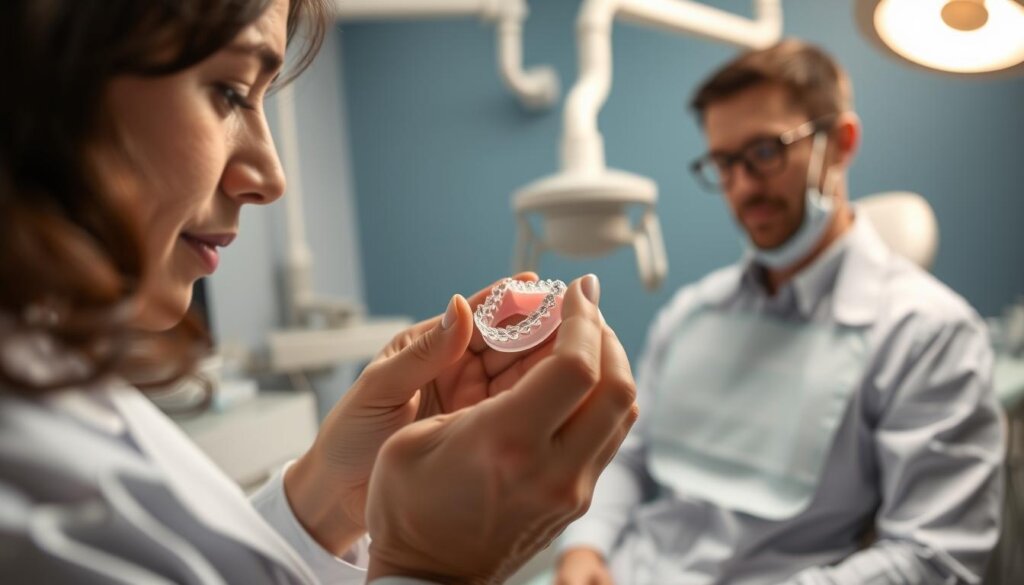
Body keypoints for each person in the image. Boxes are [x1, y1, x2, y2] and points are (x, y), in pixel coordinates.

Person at [0, 1, 639, 583]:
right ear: (42, 66)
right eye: (228, 91)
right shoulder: (29, 503)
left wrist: (331, 498)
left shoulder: (49, 373)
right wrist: (434, 567)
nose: (270, 178)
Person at [556, 40, 1004, 584]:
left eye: (766, 152)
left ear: (840, 143)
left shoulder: (929, 336)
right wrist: (584, 550)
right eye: (723, 162)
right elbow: (629, 457)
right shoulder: (690, 315)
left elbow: (935, 558)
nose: (742, 186)